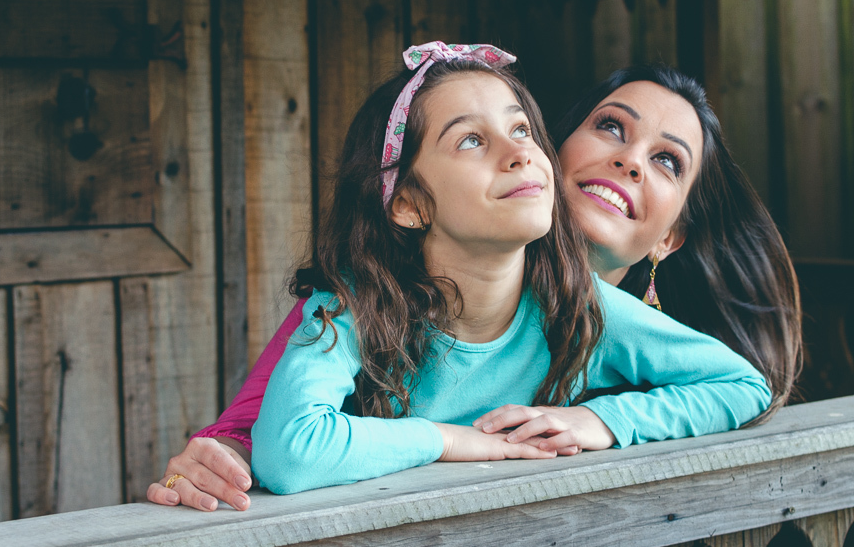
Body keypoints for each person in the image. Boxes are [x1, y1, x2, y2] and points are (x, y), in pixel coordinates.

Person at [150, 51, 796, 507]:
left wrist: (602, 421)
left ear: (669, 238)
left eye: (666, 160)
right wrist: (217, 460)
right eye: (609, 127)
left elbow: (742, 386)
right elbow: (272, 443)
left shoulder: (594, 315)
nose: (628, 159)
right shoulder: (359, 298)